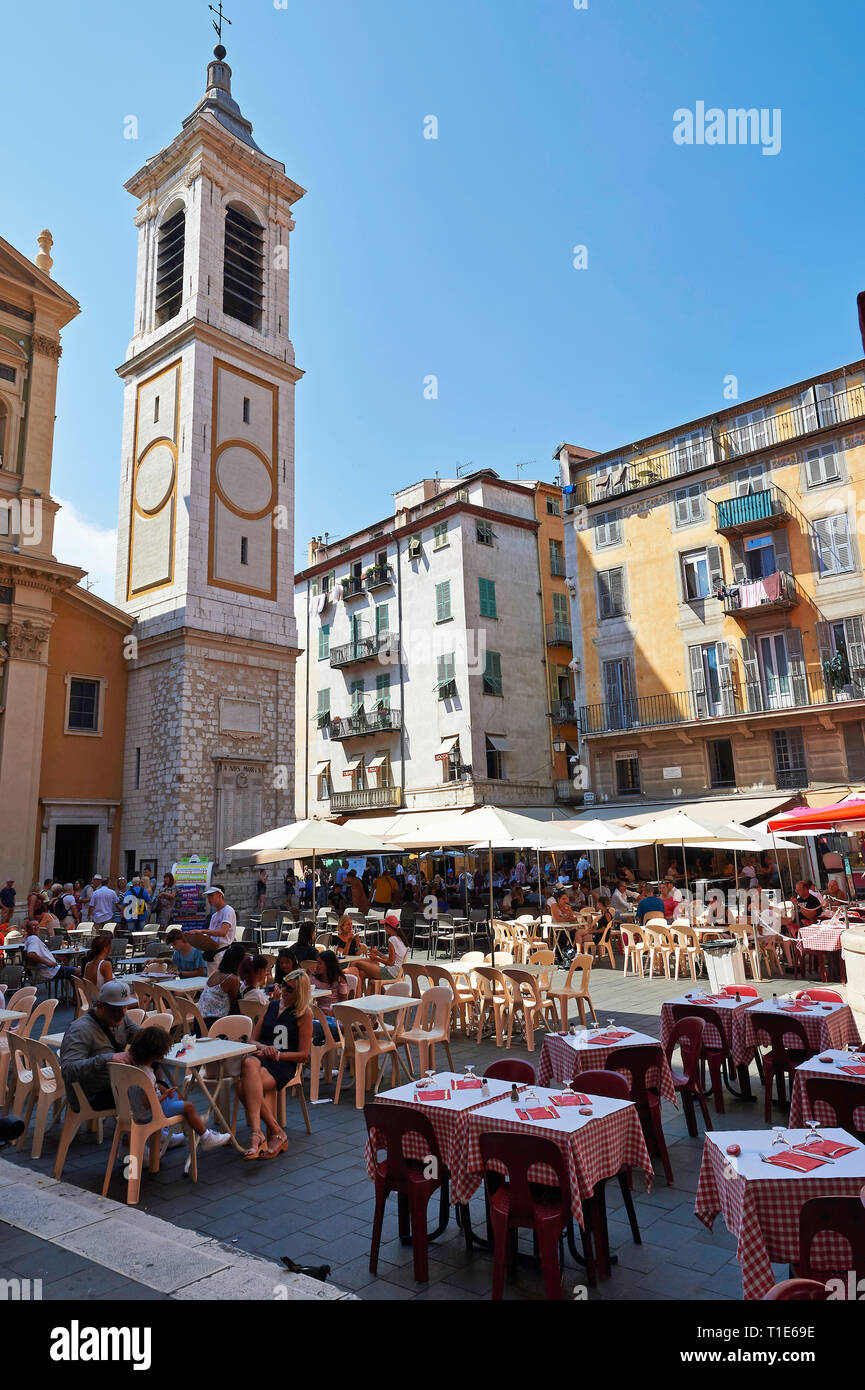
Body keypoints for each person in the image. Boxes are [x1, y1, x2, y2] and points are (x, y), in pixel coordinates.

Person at [237, 971, 313, 1159]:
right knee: (248, 1065)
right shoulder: (270, 1007)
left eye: (290, 989)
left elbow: (304, 1055)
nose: (284, 991)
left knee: (242, 1083)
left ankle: (261, 1134)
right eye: (283, 985)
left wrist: (277, 1055)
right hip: (262, 1058)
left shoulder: (303, 1014)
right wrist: (266, 1049)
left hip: (284, 1064)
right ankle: (270, 1132)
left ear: (300, 993)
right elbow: (252, 1040)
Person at [120, 1026, 231, 1152]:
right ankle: (206, 1137)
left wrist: (160, 1088)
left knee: (178, 1096)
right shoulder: (149, 1076)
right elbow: (148, 1104)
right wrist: (164, 1095)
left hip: (135, 1111)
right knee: (188, 1107)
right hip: (149, 1115)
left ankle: (184, 1127)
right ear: (158, 1054)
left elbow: (145, 1090)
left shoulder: (135, 1070)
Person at [59, 979, 140, 1112]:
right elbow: (68, 1070)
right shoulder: (80, 1029)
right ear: (100, 1006)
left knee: (155, 1081)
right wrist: (108, 1059)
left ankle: (153, 1123)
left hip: (114, 1083)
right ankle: (138, 1129)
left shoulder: (122, 1017)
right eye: (116, 1009)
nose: (122, 1013)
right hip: (90, 1095)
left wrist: (153, 1039)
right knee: (144, 1092)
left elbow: (138, 1035)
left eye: (125, 1007)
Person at [346, 912, 408, 987]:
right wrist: (377, 953)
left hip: (390, 973)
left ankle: (348, 988)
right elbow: (393, 960)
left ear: (388, 927)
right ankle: (361, 995)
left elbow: (391, 962)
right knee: (362, 974)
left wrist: (376, 958)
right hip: (397, 972)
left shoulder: (392, 939)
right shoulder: (401, 939)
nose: (384, 928)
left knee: (356, 963)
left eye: (384, 925)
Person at [197, 942, 246, 1028]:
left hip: (199, 1020)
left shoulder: (215, 973)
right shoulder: (232, 979)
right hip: (212, 1023)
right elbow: (233, 1004)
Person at [184, 884, 237, 960]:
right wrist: (193, 937)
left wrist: (201, 931)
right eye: (208, 896)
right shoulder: (214, 915)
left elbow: (223, 933)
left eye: (211, 895)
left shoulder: (228, 910)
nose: (209, 898)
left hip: (223, 953)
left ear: (219, 895)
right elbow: (209, 937)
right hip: (212, 953)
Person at [23, 922, 77, 987]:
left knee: (72, 973)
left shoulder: (30, 939)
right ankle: (78, 995)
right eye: (33, 926)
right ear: (28, 930)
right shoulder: (33, 939)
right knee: (78, 971)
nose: (36, 927)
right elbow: (31, 954)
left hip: (49, 969)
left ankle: (75, 995)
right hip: (50, 971)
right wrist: (48, 963)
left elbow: (41, 954)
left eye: (37, 925)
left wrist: (57, 957)